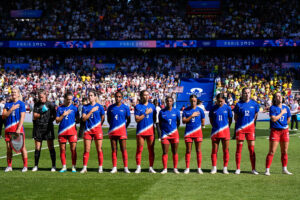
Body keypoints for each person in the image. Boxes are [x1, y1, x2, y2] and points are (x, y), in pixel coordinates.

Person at [233, 87, 259, 175]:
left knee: (251, 149)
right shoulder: (238, 104)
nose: (247, 94)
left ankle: (253, 169)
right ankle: (238, 168)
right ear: (242, 94)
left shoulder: (254, 104)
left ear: (250, 93)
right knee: (239, 149)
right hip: (240, 129)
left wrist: (250, 123)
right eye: (245, 93)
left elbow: (256, 115)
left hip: (250, 129)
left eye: (248, 92)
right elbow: (235, 118)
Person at [265, 92, 292, 176]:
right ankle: (267, 170)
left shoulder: (286, 108)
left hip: (285, 131)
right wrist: (281, 113)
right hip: (275, 131)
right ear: (275, 98)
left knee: (284, 151)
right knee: (272, 151)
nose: (279, 97)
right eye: (277, 96)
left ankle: (284, 169)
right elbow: (273, 119)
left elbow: (289, 119)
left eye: (280, 96)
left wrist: (284, 125)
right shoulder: (273, 108)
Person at [2, 88, 28, 172]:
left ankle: (25, 166)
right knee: (9, 149)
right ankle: (9, 166)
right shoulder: (7, 104)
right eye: (12, 92)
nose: (13, 93)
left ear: (18, 94)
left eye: (15, 92)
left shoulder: (21, 104)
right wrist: (11, 109)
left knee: (22, 148)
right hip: (8, 130)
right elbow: (4, 116)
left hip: (17, 130)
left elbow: (22, 117)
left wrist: (19, 128)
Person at [80, 91, 105, 173]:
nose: (90, 97)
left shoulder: (100, 107)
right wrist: (91, 111)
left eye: (91, 95)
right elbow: (83, 119)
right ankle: (84, 167)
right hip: (88, 131)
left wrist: (98, 126)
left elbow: (103, 118)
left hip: (97, 130)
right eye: (89, 95)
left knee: (99, 149)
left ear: (95, 97)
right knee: (86, 150)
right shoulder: (85, 107)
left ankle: (100, 167)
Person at [32, 90, 57, 172]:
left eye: (42, 97)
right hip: (38, 127)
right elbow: (35, 116)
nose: (40, 98)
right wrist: (42, 112)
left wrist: (50, 121)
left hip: (48, 127)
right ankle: (36, 166)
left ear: (46, 96)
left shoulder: (50, 105)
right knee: (37, 147)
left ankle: (53, 166)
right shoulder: (36, 104)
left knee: (51, 146)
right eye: (39, 97)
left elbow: (55, 116)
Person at [107, 91, 131, 173]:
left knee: (123, 149)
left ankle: (126, 167)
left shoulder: (125, 107)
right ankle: (114, 167)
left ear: (122, 98)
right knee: (114, 149)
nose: (117, 98)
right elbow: (109, 120)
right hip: (113, 131)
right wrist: (114, 127)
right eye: (116, 97)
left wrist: (124, 128)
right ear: (114, 97)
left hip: (122, 132)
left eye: (119, 97)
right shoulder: (110, 108)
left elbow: (129, 120)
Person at [56, 92, 79, 173]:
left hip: (72, 131)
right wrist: (63, 115)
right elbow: (57, 121)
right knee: (62, 150)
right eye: (68, 99)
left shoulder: (75, 108)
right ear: (64, 99)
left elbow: (78, 120)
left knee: (73, 149)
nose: (69, 101)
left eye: (71, 99)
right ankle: (64, 167)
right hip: (62, 132)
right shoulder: (60, 108)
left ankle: (73, 166)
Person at [209, 93, 232, 174]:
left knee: (225, 150)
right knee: (214, 150)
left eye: (221, 101)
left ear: (224, 100)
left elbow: (230, 119)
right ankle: (214, 167)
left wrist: (226, 127)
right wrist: (216, 127)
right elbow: (211, 119)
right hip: (215, 132)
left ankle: (225, 168)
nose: (220, 103)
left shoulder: (228, 108)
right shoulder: (213, 108)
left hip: (225, 132)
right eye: (218, 101)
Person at [134, 90, 156, 173]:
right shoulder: (138, 107)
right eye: (144, 95)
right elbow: (137, 119)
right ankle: (138, 167)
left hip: (150, 131)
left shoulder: (152, 106)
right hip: (141, 131)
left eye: (147, 95)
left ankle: (151, 167)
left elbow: (154, 119)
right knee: (139, 149)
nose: (146, 97)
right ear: (141, 96)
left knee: (151, 150)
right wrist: (145, 113)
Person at [182, 95, 205, 174]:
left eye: (194, 101)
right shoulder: (186, 110)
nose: (193, 102)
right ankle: (187, 168)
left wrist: (199, 126)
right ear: (189, 101)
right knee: (188, 150)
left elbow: (203, 121)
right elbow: (184, 121)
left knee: (198, 150)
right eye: (191, 101)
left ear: (196, 101)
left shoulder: (200, 110)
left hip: (198, 133)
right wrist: (192, 116)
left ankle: (199, 168)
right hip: (188, 133)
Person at [159, 96, 181, 174]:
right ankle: (165, 168)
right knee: (165, 152)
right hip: (165, 135)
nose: (169, 102)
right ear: (165, 102)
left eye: (170, 101)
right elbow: (160, 124)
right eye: (167, 101)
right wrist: (163, 132)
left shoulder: (177, 111)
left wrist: (173, 130)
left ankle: (175, 168)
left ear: (173, 102)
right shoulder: (162, 112)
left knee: (174, 151)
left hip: (174, 134)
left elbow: (178, 123)